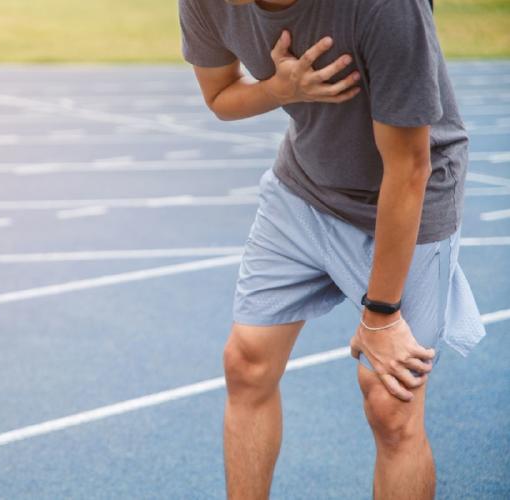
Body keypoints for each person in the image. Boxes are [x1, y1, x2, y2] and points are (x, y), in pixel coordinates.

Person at [177, 0, 487, 498]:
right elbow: (219, 96)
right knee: (246, 362)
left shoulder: (385, 7)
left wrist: (381, 315)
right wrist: (280, 90)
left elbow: (408, 169)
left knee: (391, 406)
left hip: (408, 196)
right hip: (305, 185)